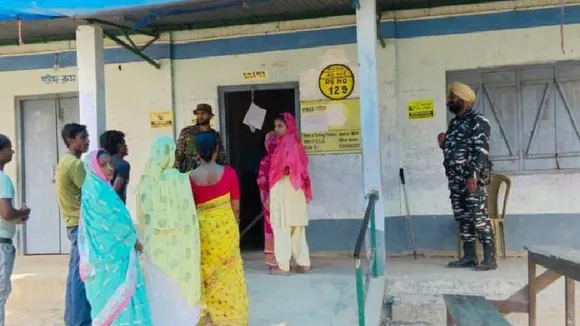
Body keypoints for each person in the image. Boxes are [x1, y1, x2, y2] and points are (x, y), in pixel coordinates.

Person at [78, 149, 152, 325]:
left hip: (106, 260)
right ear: (94, 168)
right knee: (121, 301)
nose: (110, 168)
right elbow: (115, 225)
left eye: (109, 163)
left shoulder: (96, 187)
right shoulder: (98, 191)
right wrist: (133, 239)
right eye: (103, 165)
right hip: (112, 260)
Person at [136, 136, 202, 326]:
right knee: (176, 283)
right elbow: (186, 210)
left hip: (154, 245)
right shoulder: (176, 178)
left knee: (157, 285)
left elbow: (141, 214)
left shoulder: (144, 180)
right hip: (176, 245)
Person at [189, 132, 248, 325]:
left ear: (197, 152)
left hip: (203, 229)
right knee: (229, 271)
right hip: (225, 228)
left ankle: (208, 317)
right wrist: (234, 225)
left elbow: (191, 207)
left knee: (206, 271)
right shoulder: (229, 173)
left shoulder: (190, 178)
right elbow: (236, 206)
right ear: (216, 150)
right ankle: (230, 316)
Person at [440, 82, 496, 271]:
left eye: (452, 97)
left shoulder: (478, 120)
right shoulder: (455, 122)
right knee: (463, 218)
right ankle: (469, 256)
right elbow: (457, 150)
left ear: (463, 99)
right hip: (455, 179)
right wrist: (444, 143)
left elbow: (481, 151)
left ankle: (490, 259)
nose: (449, 101)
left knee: (478, 217)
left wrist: (473, 175)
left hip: (471, 178)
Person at [55, 123, 92, 326]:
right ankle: (80, 321)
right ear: (71, 140)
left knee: (74, 276)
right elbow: (91, 193)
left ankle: (73, 319)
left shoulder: (65, 162)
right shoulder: (75, 165)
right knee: (81, 278)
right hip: (80, 224)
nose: (87, 140)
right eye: (83, 137)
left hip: (72, 224)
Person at [268, 113, 313, 275]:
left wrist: (282, 170)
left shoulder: (286, 142)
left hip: (284, 185)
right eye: (275, 126)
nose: (276, 129)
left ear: (288, 126)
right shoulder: (296, 142)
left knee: (282, 226)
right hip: (296, 188)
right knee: (297, 227)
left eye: (280, 126)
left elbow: (288, 164)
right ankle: (303, 263)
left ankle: (283, 266)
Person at [0, 134, 30, 326]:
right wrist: (23, 211)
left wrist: (15, 217)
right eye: (9, 148)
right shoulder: (3, 180)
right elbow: (6, 212)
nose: (12, 152)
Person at [175, 103, 227, 173]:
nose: (200, 116)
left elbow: (222, 158)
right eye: (198, 113)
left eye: (203, 113)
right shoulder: (187, 132)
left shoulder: (215, 135)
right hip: (190, 173)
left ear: (210, 116)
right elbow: (178, 155)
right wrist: (177, 174)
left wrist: (225, 173)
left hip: (210, 174)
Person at [257, 131, 278, 269]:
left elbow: (261, 180)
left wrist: (266, 197)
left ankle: (272, 259)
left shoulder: (266, 160)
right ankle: (283, 258)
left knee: (271, 228)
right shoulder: (283, 159)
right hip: (281, 197)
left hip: (269, 198)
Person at [99, 130, 130, 203]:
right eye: (124, 143)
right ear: (119, 146)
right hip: (114, 209)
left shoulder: (100, 163)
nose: (126, 145)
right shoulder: (123, 165)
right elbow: (114, 193)